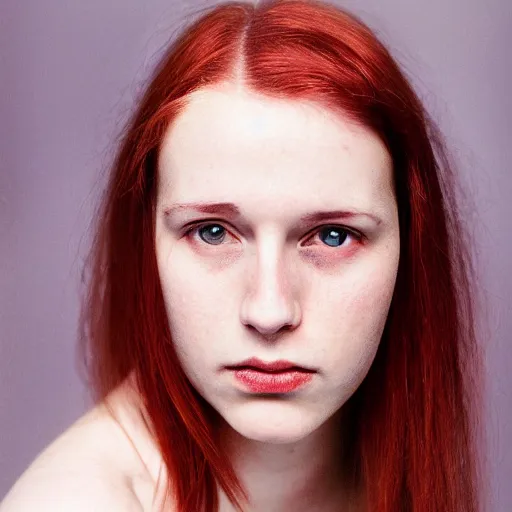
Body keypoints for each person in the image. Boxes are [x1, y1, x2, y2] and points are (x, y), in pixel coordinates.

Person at [0, 0, 486, 510]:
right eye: (212, 232)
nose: (269, 311)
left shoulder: (394, 464)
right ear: (147, 246)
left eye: (332, 236)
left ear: (410, 251)